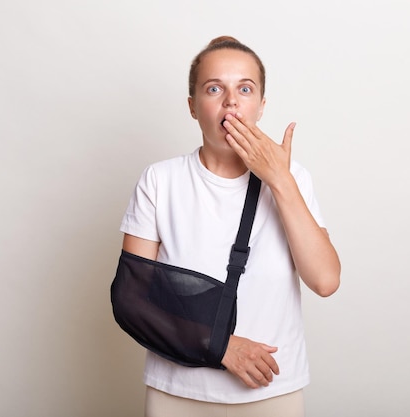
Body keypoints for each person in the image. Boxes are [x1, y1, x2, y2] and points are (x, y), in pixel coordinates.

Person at [119, 35, 341, 417]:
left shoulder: (294, 179)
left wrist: (279, 180)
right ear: (192, 106)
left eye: (245, 88)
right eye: (214, 88)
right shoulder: (160, 180)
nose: (231, 100)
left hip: (272, 391)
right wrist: (222, 346)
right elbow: (132, 300)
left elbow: (325, 280)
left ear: (261, 106)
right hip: (177, 392)